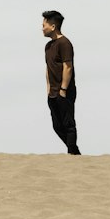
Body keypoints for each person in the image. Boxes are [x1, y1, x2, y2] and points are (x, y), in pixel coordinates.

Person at [42, 10, 81, 155]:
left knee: (68, 124)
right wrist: (48, 88)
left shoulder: (65, 43)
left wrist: (63, 89)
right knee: (57, 126)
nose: (42, 28)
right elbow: (48, 67)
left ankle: (73, 153)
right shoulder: (48, 46)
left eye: (44, 24)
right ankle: (74, 152)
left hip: (64, 91)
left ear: (53, 26)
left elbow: (68, 66)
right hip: (52, 92)